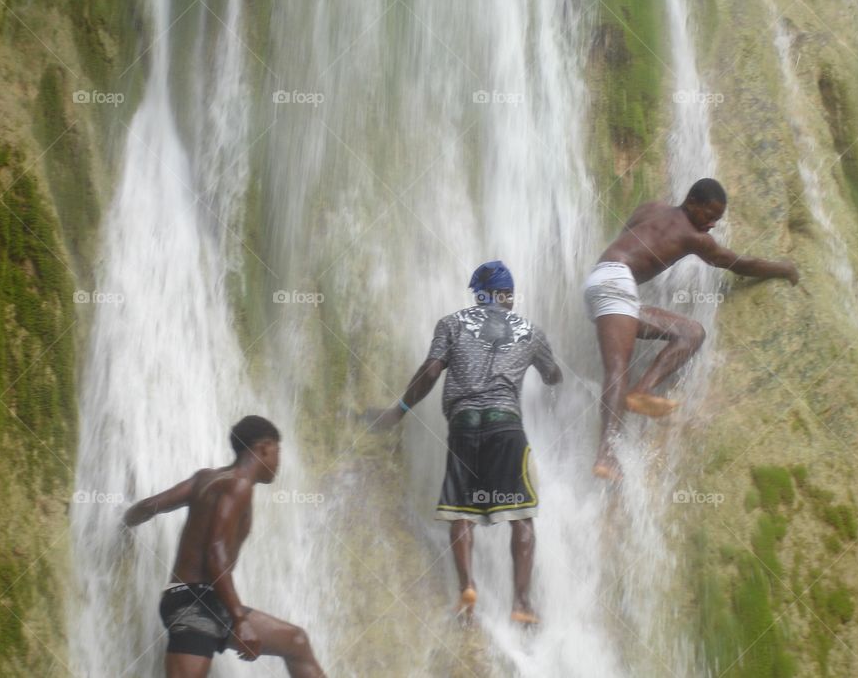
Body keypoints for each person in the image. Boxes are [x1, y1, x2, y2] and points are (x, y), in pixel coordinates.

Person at [370, 261, 562, 625]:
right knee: (521, 516)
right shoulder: (531, 331)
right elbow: (552, 375)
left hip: (464, 424)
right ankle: (521, 602)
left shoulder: (451, 324)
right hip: (506, 426)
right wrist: (552, 371)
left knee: (461, 512)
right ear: (509, 295)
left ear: (479, 294)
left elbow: (431, 371)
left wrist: (399, 410)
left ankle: (467, 589)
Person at [584, 178, 799, 480]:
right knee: (617, 368)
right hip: (616, 284)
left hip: (604, 282)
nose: (712, 224)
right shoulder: (695, 238)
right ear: (692, 202)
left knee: (691, 333)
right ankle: (606, 455)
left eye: (717, 219)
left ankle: (641, 391)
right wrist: (783, 268)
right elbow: (738, 263)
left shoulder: (650, 209)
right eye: (709, 215)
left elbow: (626, 241)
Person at [122, 415, 326, 678]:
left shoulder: (205, 479)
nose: (279, 461)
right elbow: (215, 555)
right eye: (278, 451)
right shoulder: (239, 485)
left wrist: (122, 523)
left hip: (210, 600)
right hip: (193, 605)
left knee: (296, 642)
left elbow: (150, 506)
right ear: (264, 448)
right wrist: (240, 620)